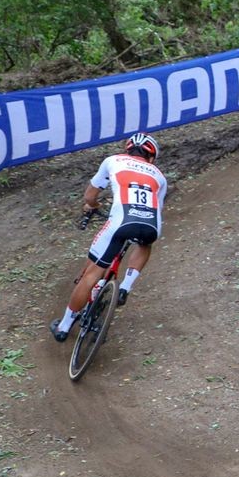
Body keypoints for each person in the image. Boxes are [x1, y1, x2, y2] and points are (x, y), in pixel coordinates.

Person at [49, 133, 168, 342]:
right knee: (144, 243)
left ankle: (64, 326)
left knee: (92, 274)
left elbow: (90, 196)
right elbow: (155, 205)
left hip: (121, 221)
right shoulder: (160, 176)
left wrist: (93, 206)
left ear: (127, 150)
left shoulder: (113, 161)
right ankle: (125, 288)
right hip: (151, 224)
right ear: (151, 158)